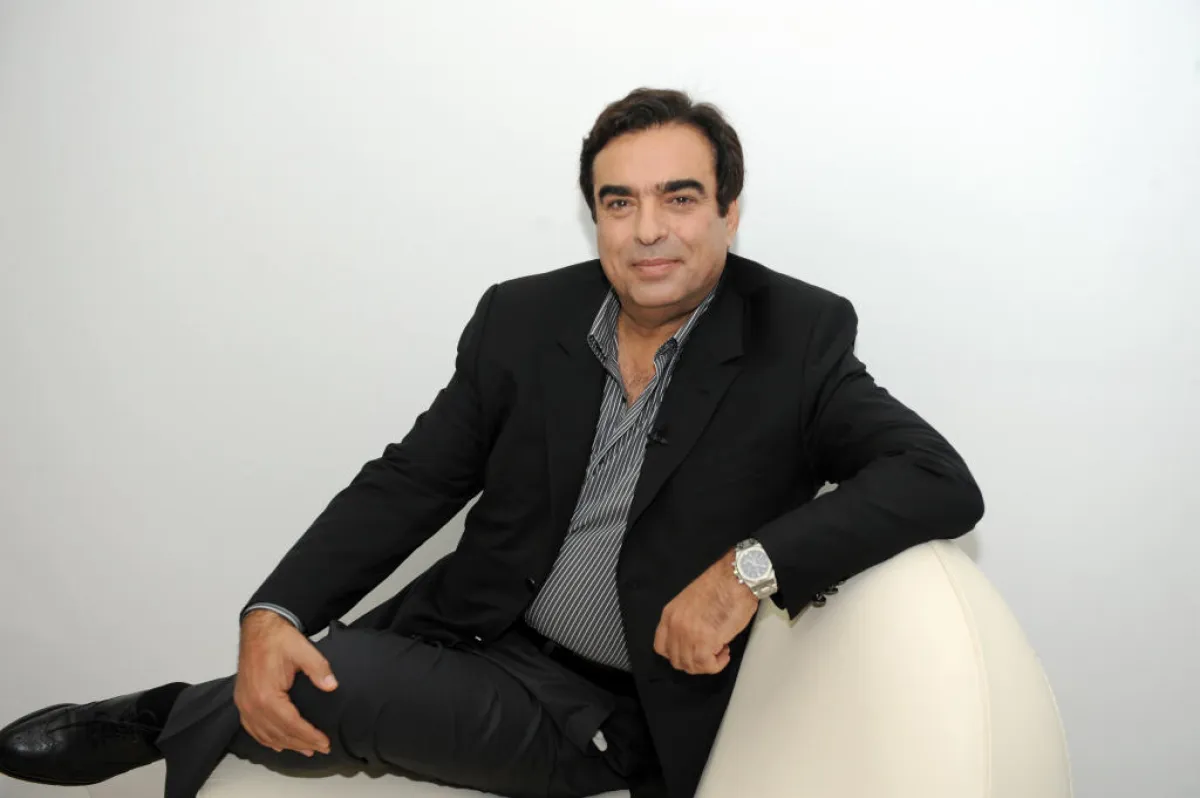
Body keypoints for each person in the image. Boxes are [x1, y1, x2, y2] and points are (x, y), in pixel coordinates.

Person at [0, 88, 984, 798]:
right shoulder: (524, 317)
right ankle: (195, 702)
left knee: (339, 685)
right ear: (595, 216)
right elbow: (412, 479)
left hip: (610, 709)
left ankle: (157, 719)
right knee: (302, 659)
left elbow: (937, 478)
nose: (649, 230)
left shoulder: (796, 337)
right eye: (619, 201)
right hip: (474, 631)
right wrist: (272, 608)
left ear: (729, 210)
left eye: (680, 198)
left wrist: (746, 571)